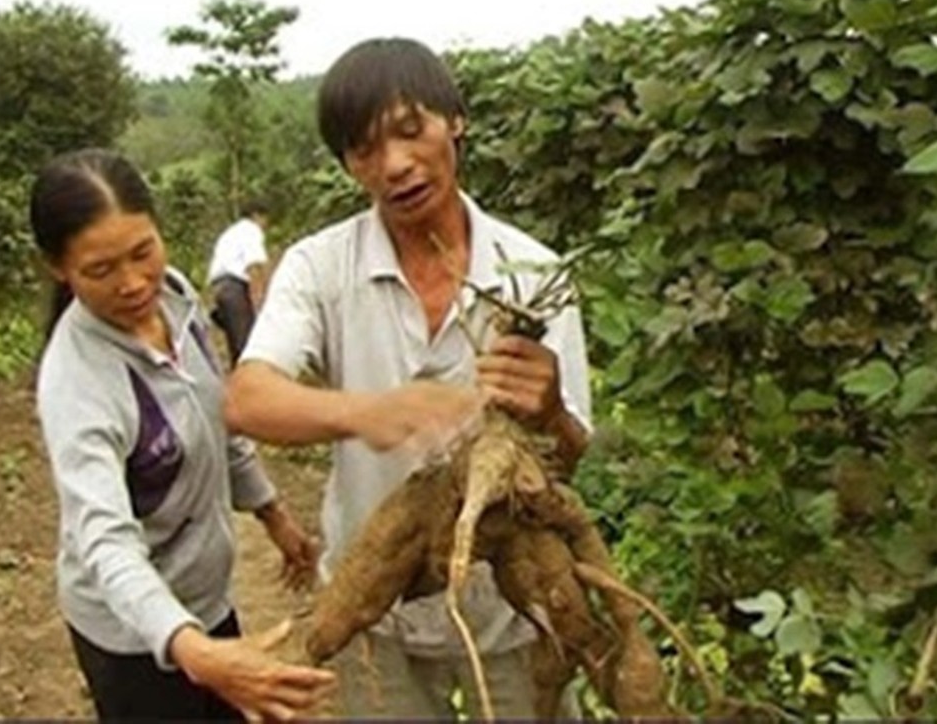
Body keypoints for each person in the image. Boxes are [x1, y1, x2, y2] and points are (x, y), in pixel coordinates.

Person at [225, 37, 591, 719]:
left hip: (511, 603)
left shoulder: (534, 275)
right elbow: (247, 398)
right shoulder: (319, 266)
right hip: (373, 606)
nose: (394, 164)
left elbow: (572, 456)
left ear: (455, 119)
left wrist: (551, 415)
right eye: (364, 150)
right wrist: (368, 412)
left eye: (410, 130)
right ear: (348, 165)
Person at [29, 148, 335, 722]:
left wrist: (273, 514)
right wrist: (192, 651)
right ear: (57, 267)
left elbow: (215, 417)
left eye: (142, 252)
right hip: (133, 634)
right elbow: (103, 539)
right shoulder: (78, 380)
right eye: (100, 270)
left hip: (205, 602)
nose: (132, 283)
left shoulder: (177, 299)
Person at [207, 199, 271, 365]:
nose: (265, 225)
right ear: (257, 216)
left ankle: (239, 383)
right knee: (248, 346)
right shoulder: (251, 230)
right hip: (235, 289)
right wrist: (259, 300)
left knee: (236, 345)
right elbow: (254, 265)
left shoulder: (230, 233)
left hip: (220, 289)